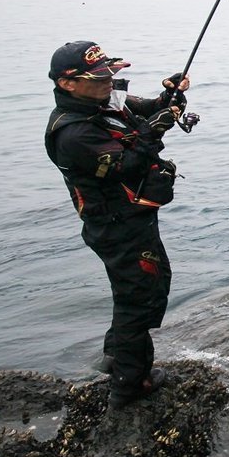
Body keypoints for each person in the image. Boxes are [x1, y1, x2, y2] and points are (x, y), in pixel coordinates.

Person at [44, 41, 190, 408]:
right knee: (140, 297)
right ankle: (129, 384)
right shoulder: (73, 135)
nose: (110, 81)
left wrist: (168, 98)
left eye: (111, 73)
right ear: (68, 83)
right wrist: (154, 131)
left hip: (133, 216)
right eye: (100, 77)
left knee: (137, 289)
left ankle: (114, 357)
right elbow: (126, 164)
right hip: (115, 226)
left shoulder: (105, 103)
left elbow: (149, 110)